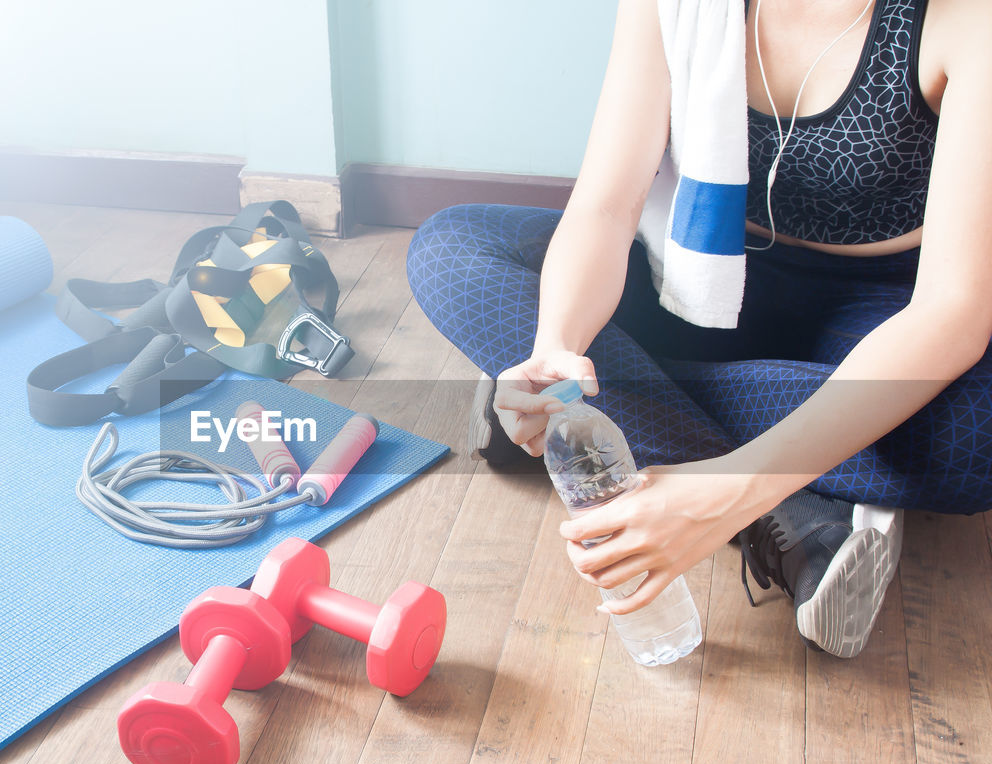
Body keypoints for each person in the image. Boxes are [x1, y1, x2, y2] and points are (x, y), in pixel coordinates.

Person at [406, 0, 992, 658]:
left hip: (879, 315)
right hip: (697, 277)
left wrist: (725, 491)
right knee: (452, 251)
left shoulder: (967, 18)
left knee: (980, 431)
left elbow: (953, 310)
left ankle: (624, 406)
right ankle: (794, 510)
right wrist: (556, 346)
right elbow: (604, 207)